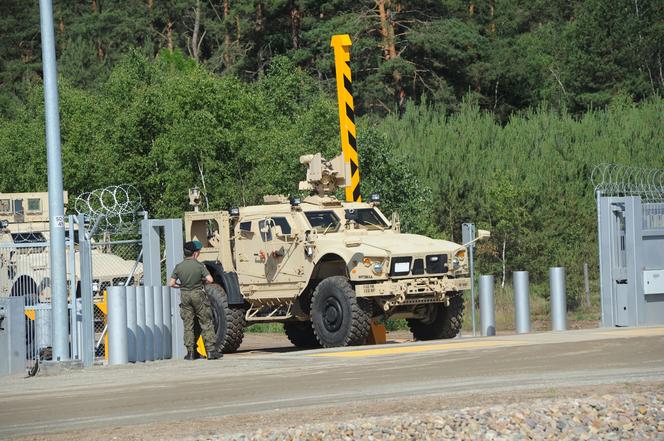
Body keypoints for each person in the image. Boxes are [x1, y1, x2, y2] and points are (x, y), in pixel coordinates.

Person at [169, 240, 223, 360]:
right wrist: (201, 280)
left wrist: (181, 286)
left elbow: (171, 283)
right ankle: (211, 351)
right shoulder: (199, 266)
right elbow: (210, 279)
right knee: (206, 322)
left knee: (188, 324)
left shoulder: (179, 267)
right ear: (194, 253)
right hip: (198, 295)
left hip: (185, 296)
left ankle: (190, 352)